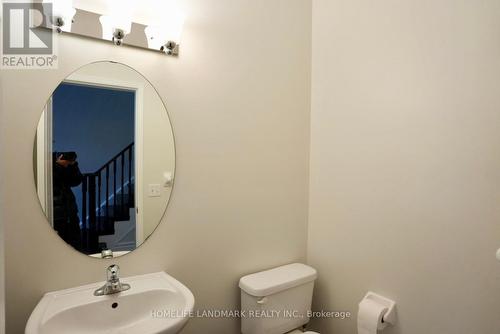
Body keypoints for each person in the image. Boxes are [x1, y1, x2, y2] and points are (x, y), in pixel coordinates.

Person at [53, 152, 83, 250]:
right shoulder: (48, 163)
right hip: (57, 214)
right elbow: (54, 179)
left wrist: (73, 165)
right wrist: (57, 165)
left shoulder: (67, 167)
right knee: (59, 246)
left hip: (71, 211)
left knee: (76, 243)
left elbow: (76, 181)